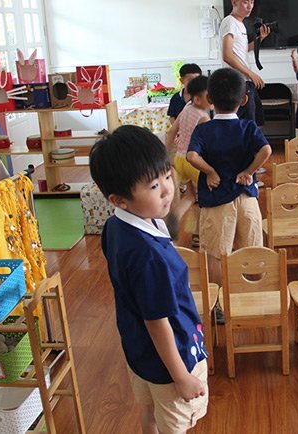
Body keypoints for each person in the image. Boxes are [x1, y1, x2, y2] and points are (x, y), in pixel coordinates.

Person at [89, 125, 208, 434]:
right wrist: (181, 376)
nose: (168, 189)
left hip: (138, 350)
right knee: (175, 422)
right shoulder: (149, 256)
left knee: (150, 412)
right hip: (170, 359)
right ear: (120, 199)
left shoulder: (117, 227)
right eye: (154, 186)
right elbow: (158, 323)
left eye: (167, 176)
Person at [186, 68, 272, 285]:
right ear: (243, 100)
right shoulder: (248, 126)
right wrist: (248, 172)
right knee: (253, 250)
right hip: (246, 197)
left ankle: (218, 303)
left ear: (209, 99)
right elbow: (266, 151)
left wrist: (210, 171)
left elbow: (191, 156)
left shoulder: (204, 129)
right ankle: (254, 293)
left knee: (215, 254)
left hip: (216, 200)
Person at [165, 75, 211, 246]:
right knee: (203, 200)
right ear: (198, 98)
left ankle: (174, 217)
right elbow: (208, 146)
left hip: (180, 159)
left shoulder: (186, 107)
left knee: (191, 196)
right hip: (194, 162)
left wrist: (167, 156)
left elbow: (171, 133)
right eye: (209, 96)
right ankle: (198, 234)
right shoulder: (204, 118)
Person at [219, 0, 271, 126]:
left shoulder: (240, 25)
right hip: (237, 81)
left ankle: (254, 145)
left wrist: (260, 39)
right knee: (247, 125)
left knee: (256, 122)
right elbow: (227, 56)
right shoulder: (229, 22)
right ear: (234, 2)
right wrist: (251, 74)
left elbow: (242, 50)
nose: (250, 7)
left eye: (252, 2)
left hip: (245, 81)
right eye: (245, 2)